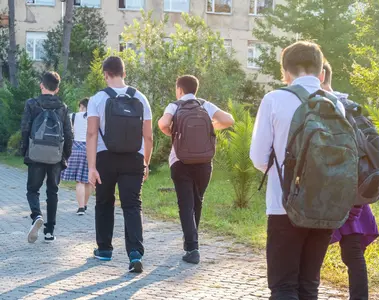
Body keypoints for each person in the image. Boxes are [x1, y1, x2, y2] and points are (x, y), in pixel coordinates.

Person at [250, 41, 347, 300]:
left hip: (285, 206)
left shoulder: (274, 99)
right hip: (325, 206)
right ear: (321, 73)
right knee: (309, 285)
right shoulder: (337, 105)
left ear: (285, 73)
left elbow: (259, 157)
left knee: (283, 287)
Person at [158, 75, 234, 264]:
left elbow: (163, 124)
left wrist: (173, 133)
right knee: (197, 202)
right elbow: (229, 120)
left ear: (180, 90)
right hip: (203, 162)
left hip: (180, 161)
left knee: (186, 204)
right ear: (196, 89)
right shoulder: (205, 105)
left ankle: (192, 247)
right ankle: (191, 242)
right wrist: (211, 126)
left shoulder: (174, 106)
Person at [86, 56, 153, 273]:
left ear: (105, 74)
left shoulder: (98, 99)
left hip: (106, 157)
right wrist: (146, 162)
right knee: (132, 206)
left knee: (104, 202)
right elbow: (149, 137)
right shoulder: (141, 98)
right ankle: (135, 254)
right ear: (124, 73)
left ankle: (104, 249)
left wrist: (92, 167)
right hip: (134, 158)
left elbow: (91, 134)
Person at [322, 61, 379, 300]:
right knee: (353, 254)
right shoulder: (351, 105)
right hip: (355, 190)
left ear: (321, 74)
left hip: (328, 192)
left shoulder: (324, 107)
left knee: (308, 254)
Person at [21, 71, 73, 243]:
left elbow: (25, 129)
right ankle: (49, 232)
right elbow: (68, 133)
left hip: (36, 154)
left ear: (41, 85)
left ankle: (36, 216)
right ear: (57, 89)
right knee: (53, 192)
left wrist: (25, 151)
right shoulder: (63, 107)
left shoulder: (32, 104)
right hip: (55, 156)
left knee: (32, 190)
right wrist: (65, 155)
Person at [61, 98, 92, 215]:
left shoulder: (73, 116)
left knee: (79, 181)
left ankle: (80, 208)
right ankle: (84, 204)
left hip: (76, 148)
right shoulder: (94, 117)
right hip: (90, 149)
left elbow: (68, 132)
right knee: (89, 181)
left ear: (82, 106)